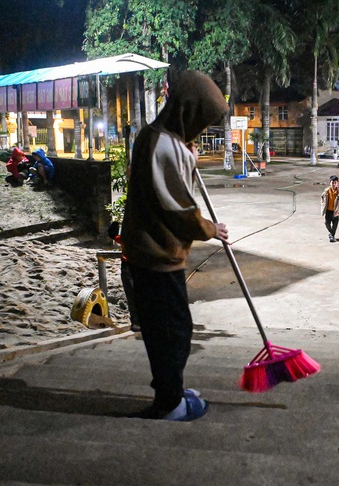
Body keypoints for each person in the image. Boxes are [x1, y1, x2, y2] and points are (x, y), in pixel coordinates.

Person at [121, 70, 230, 422]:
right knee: (173, 334)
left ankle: (171, 390)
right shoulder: (166, 146)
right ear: (187, 111)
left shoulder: (154, 137)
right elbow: (180, 209)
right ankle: (170, 405)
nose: (201, 127)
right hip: (157, 257)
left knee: (166, 330)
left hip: (149, 253)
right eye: (200, 120)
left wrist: (188, 152)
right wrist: (211, 229)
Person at [321, 175, 339, 242]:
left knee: (335, 225)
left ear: (337, 183)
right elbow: (322, 198)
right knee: (327, 223)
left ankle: (332, 236)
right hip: (328, 211)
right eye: (332, 182)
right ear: (330, 183)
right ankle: (331, 234)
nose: (334, 184)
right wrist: (323, 205)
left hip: (335, 212)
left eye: (335, 182)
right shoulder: (326, 191)